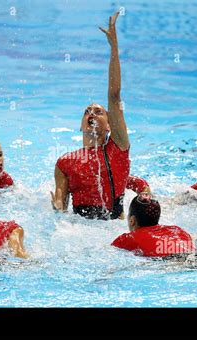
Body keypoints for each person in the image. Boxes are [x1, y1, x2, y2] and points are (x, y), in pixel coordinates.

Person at [52, 11, 147, 220]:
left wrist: (114, 48)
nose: (91, 114)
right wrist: (57, 205)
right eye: (87, 111)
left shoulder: (118, 147)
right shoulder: (65, 162)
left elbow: (114, 95)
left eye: (98, 112)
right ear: (80, 126)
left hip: (113, 226)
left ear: (109, 126)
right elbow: (61, 206)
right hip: (79, 230)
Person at [112, 193, 195, 257]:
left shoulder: (128, 238)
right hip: (195, 257)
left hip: (171, 264)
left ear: (132, 220)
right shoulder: (177, 230)